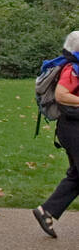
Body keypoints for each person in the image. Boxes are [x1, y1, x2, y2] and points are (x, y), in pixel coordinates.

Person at [33, 30, 79, 238]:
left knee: (76, 175)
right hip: (73, 129)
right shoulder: (72, 68)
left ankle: (47, 211)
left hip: (71, 128)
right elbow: (61, 95)